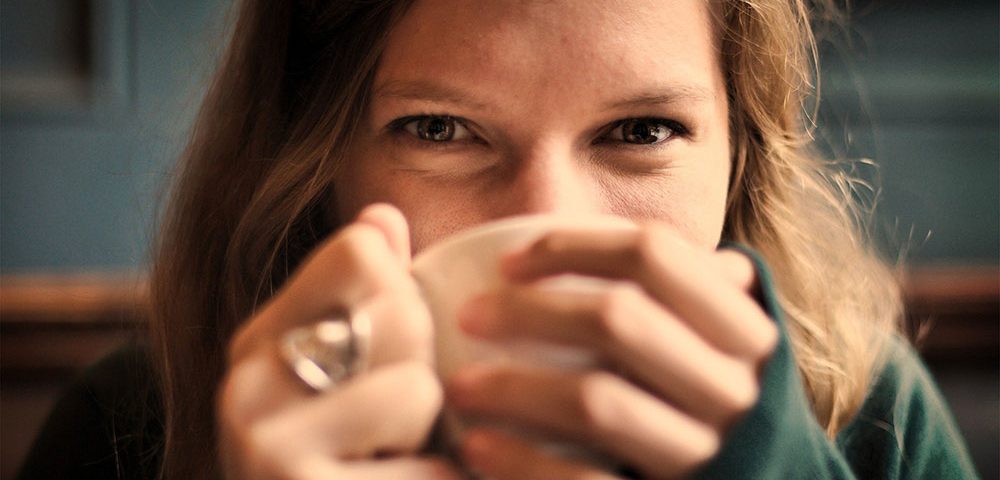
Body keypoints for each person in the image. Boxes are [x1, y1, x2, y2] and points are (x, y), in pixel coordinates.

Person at [18, 0, 978, 479]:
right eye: (439, 129)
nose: (543, 224)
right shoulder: (130, 426)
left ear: (742, 160)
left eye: (641, 133)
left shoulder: (868, 416)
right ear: (318, 164)